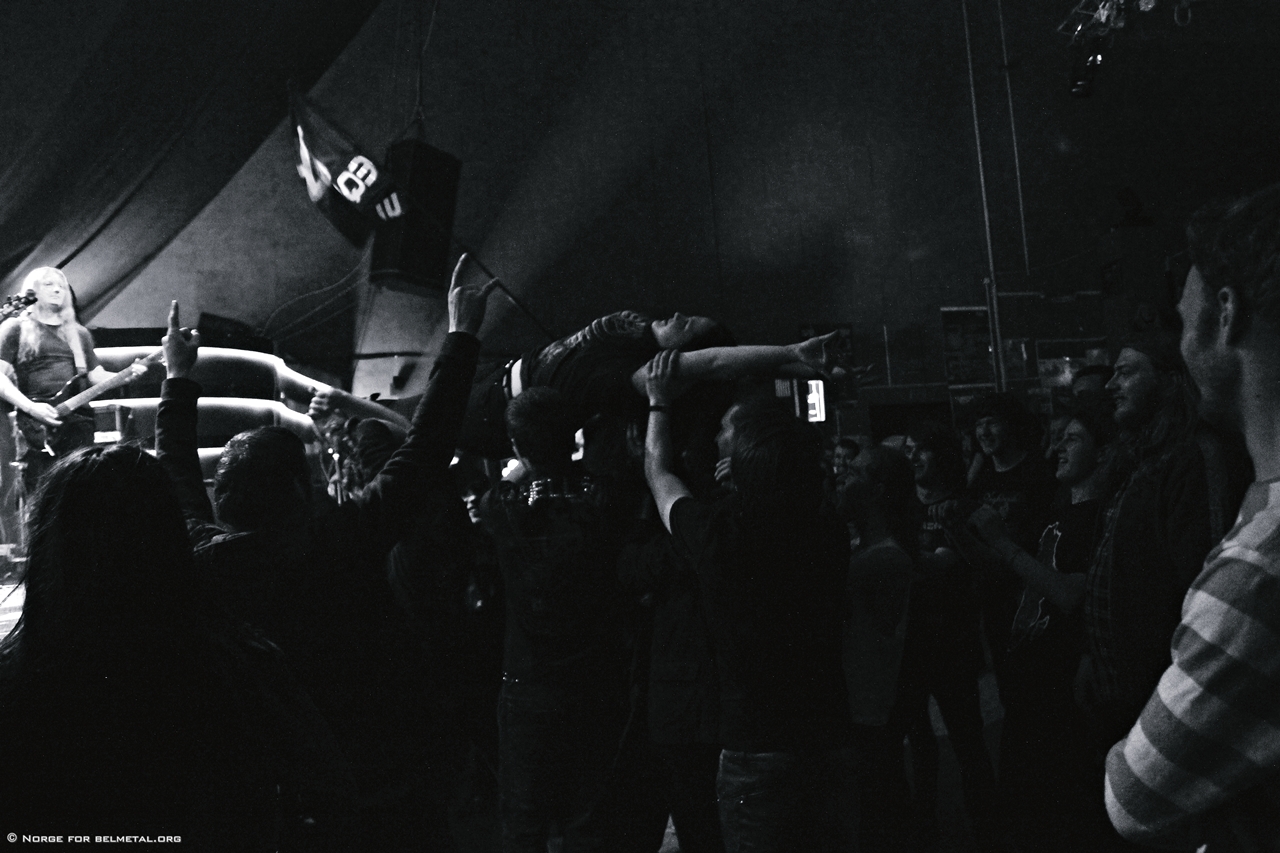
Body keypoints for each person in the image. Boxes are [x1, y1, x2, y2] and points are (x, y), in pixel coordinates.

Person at [154, 260, 497, 852]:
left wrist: (178, 378)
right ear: (297, 489)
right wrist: (461, 334)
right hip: (380, 776)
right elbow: (425, 448)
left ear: (225, 498)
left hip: (283, 795)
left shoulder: (206, 557)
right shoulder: (341, 540)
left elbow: (176, 475)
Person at [0, 435, 354, 846]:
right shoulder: (239, 666)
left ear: (48, 542)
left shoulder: (16, 679)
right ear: (171, 536)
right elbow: (330, 792)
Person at [1105, 183, 1280, 850]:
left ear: (1227, 314)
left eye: (1184, 322)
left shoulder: (1260, 569)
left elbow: (1132, 794)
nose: (1180, 345)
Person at [644, 360, 854, 850]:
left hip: (755, 743)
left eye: (725, 431)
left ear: (744, 454)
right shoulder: (828, 530)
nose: (717, 436)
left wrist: (658, 401)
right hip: (829, 733)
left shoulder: (717, 535)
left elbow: (659, 474)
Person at [1077, 320, 1250, 755]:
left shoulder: (1194, 456)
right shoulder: (1140, 457)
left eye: (1126, 372)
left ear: (1169, 380)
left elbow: (1204, 592)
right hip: (1123, 688)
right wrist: (1092, 656)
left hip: (1162, 696)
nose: (1111, 385)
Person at [456, 265, 845, 459]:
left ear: (682, 351)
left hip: (492, 413)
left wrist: (793, 352)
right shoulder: (635, 330)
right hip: (496, 372)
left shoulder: (637, 376)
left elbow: (714, 362)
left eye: (687, 325)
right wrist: (801, 366)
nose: (677, 316)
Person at [476, 385, 635, 853]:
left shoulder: (501, 506)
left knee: (524, 821)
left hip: (528, 683)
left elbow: (497, 492)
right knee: (589, 816)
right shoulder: (606, 500)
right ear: (573, 439)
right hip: (596, 679)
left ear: (516, 445)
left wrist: (522, 463)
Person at [965, 401, 1115, 851]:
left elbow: (1069, 593)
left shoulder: (1099, 516)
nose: (1057, 449)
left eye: (1072, 439)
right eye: (1057, 439)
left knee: (1056, 806)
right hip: (1029, 669)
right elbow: (1026, 575)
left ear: (1103, 453)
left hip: (1057, 679)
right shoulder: (1060, 508)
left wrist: (1001, 542)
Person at [899, 421, 1002, 851]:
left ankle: (988, 833)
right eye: (909, 449)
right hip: (909, 643)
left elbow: (970, 566)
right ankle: (925, 831)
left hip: (952, 641)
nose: (913, 457)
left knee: (967, 741)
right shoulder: (900, 507)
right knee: (918, 742)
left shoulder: (965, 507)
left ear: (940, 455)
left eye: (921, 448)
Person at [0, 267, 147, 488]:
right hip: (35, 423)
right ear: (32, 291)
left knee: (78, 487)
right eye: (49, 284)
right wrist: (31, 408)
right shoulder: (15, 328)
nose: (57, 289)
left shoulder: (78, 333)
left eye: (61, 285)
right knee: (41, 489)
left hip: (78, 422)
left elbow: (95, 375)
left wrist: (125, 376)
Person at [840, 444, 918, 853]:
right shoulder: (868, 552)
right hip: (863, 709)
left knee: (877, 819)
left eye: (853, 472)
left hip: (867, 712)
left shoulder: (884, 559)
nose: (841, 478)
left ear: (879, 489)